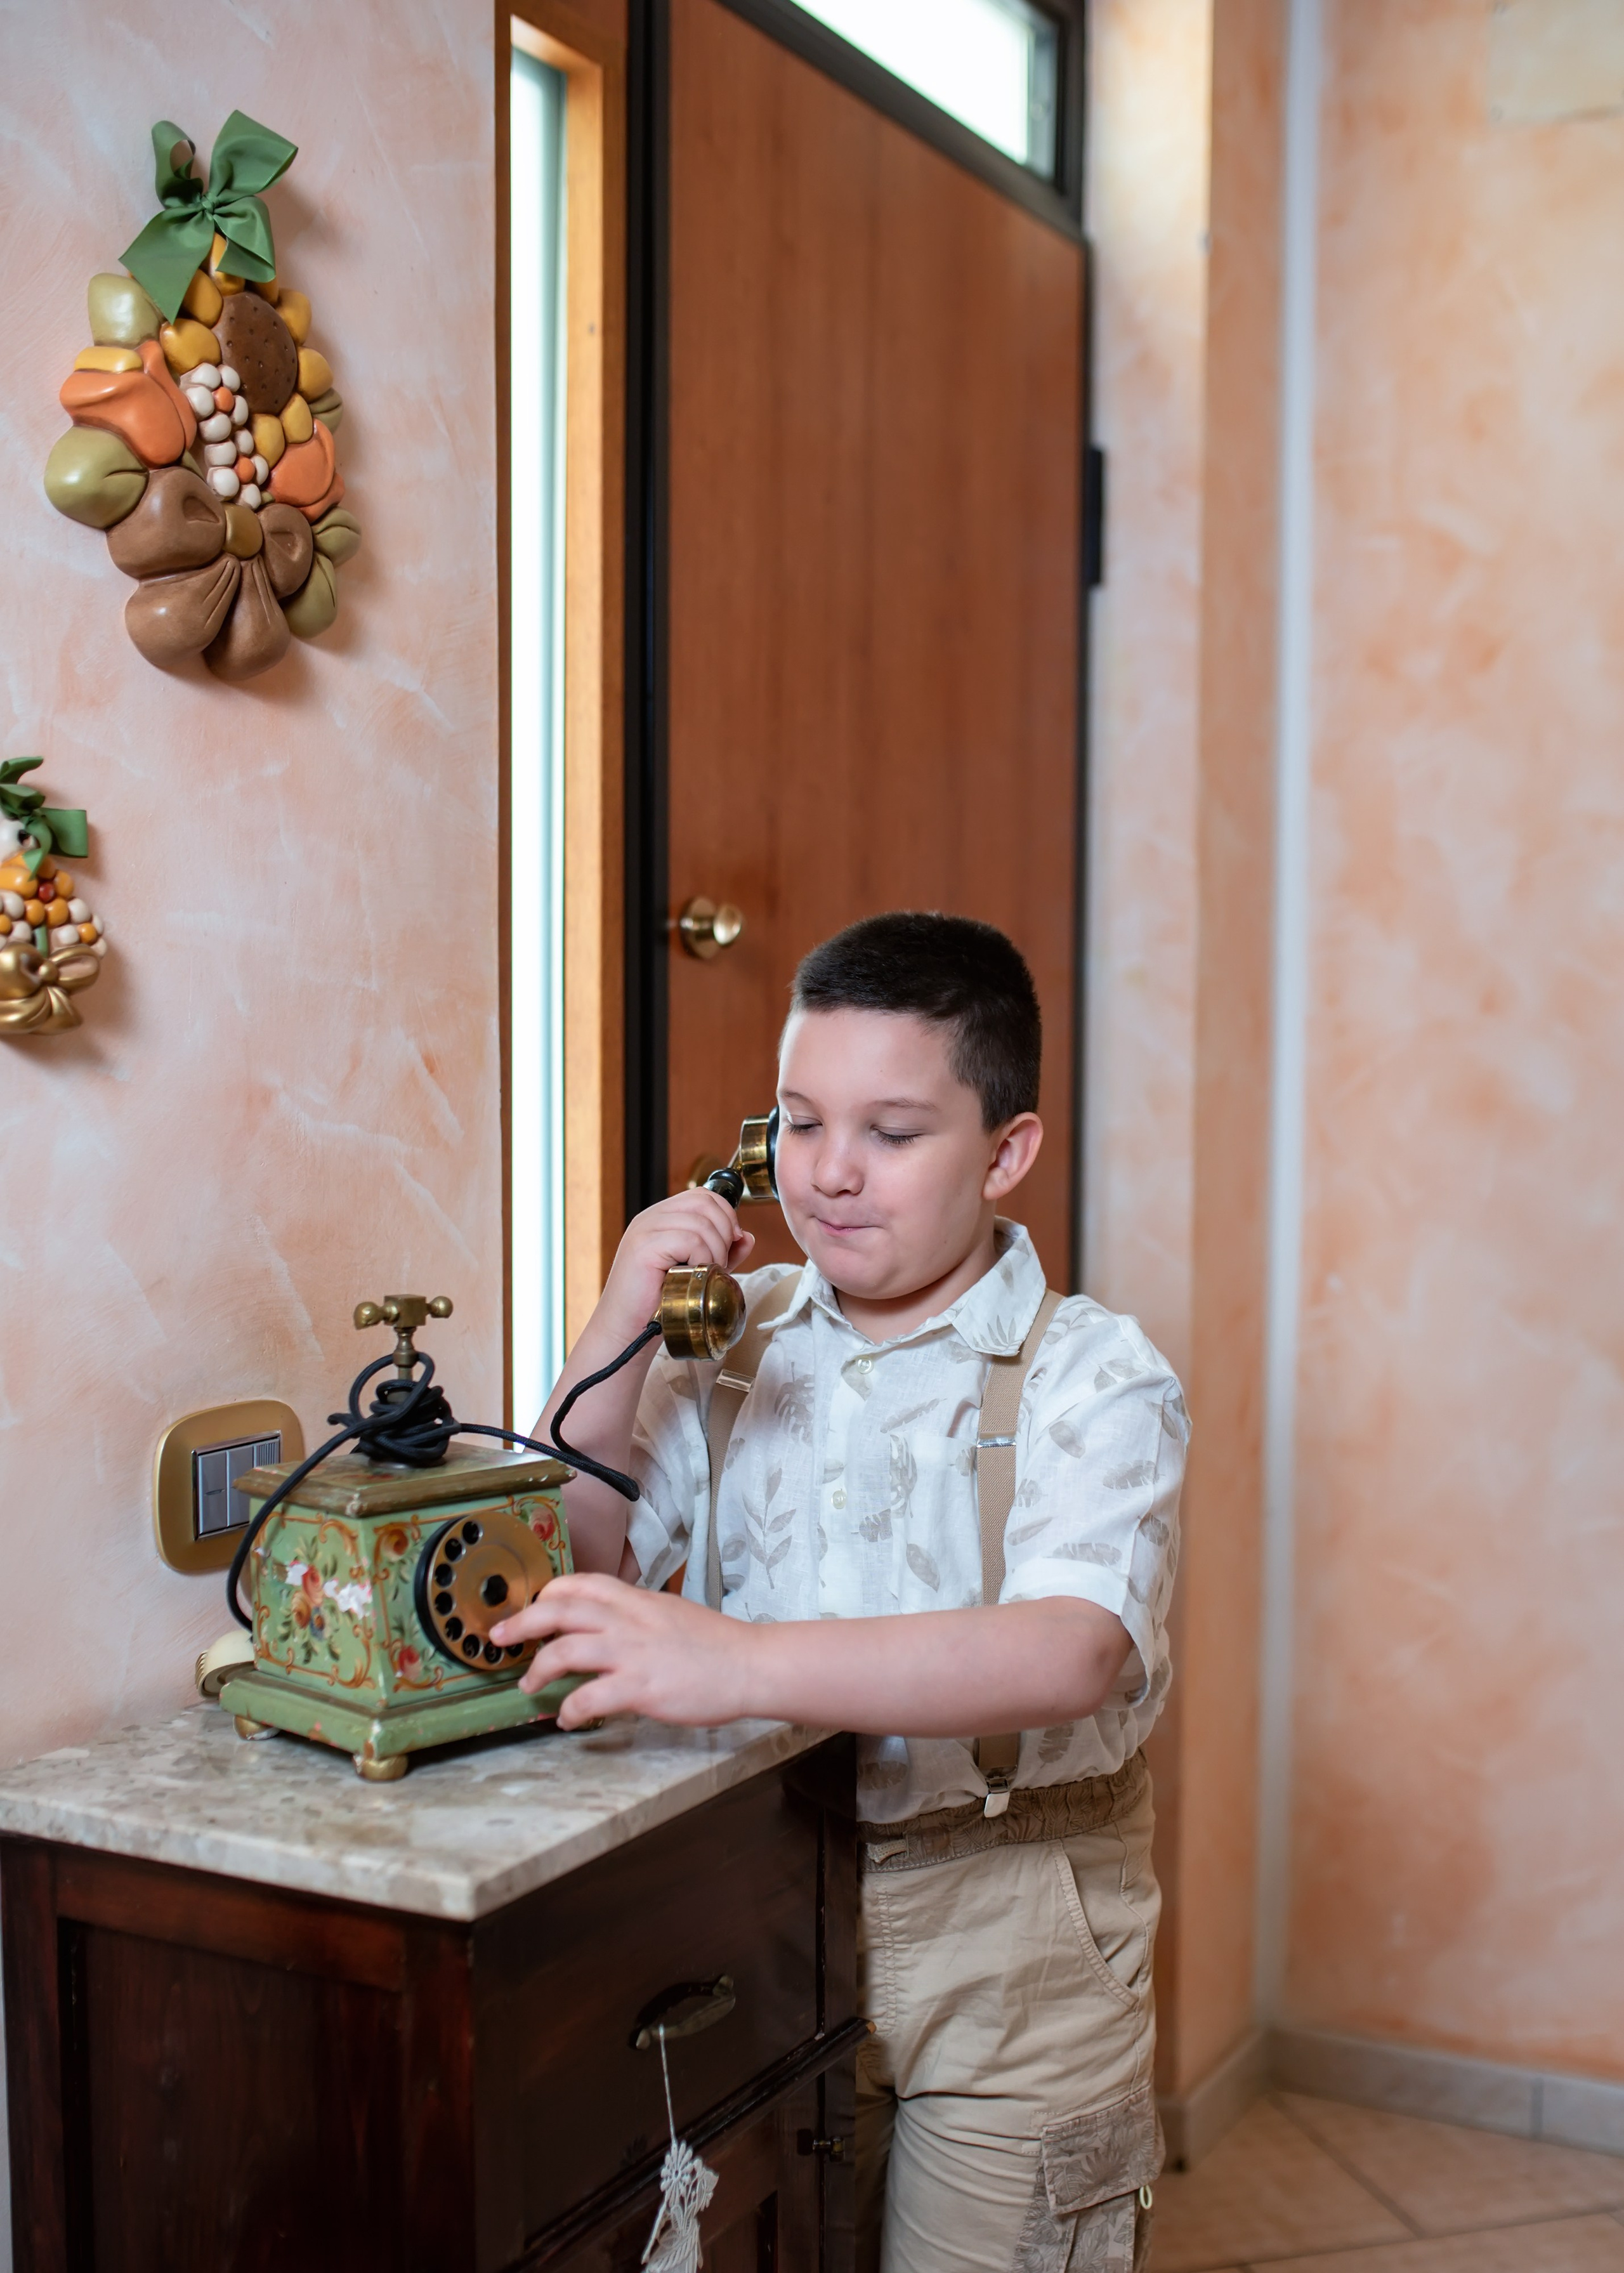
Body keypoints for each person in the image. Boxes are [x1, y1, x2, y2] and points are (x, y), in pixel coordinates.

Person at [492, 911, 1186, 2273]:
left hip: (1021, 1931)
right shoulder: (728, 1343)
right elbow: (560, 1562)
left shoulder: (1096, 1373)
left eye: (891, 1132)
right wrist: (619, 1322)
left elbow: (1068, 1650)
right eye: (800, 1123)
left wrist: (738, 1662)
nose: (830, 1172)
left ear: (1005, 1151)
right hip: (763, 1895)